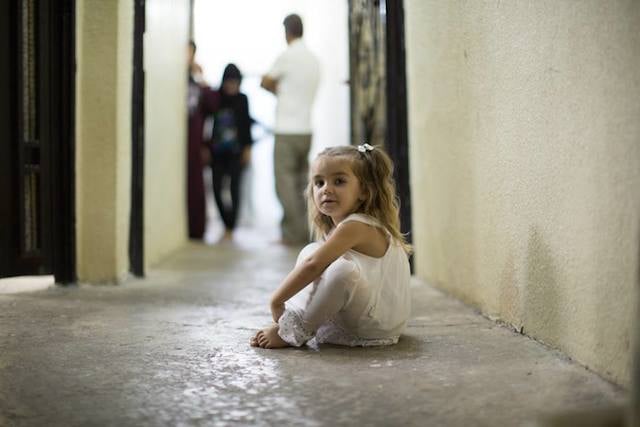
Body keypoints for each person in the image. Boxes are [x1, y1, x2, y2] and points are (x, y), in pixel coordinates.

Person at [251, 144, 412, 349]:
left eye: (339, 181)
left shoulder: (357, 225)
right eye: (319, 182)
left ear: (363, 190)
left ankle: (294, 331)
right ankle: (294, 319)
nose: (326, 189)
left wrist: (276, 300)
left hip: (375, 324)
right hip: (367, 314)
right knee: (312, 250)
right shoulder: (340, 227)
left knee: (340, 270)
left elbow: (313, 265)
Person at [261, 13, 320, 245]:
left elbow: (265, 81)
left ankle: (291, 235)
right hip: (306, 130)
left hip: (286, 130)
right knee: (301, 185)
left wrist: (278, 90)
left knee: (283, 183)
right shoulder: (314, 60)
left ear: (287, 32)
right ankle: (306, 231)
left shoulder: (287, 56)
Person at [210, 64, 253, 241]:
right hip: (217, 152)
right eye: (228, 82)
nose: (231, 86)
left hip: (236, 152)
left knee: (235, 189)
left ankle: (232, 225)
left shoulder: (243, 99)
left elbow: (245, 125)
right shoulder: (216, 98)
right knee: (217, 188)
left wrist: (247, 149)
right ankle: (225, 221)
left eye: (235, 82)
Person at [187, 40, 219, 239]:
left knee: (197, 187)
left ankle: (196, 229)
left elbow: (213, 104)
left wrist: (200, 76)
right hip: (178, 145)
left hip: (194, 143)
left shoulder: (196, 84)